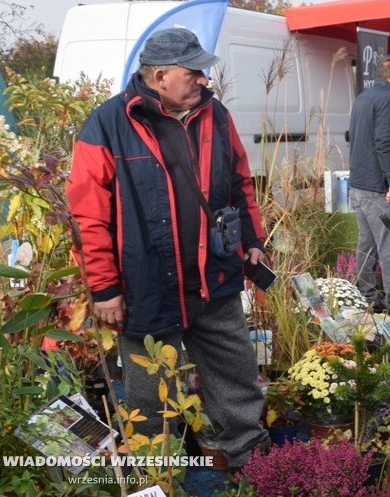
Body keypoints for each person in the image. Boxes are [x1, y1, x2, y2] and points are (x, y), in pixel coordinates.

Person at [67, 28, 270, 469]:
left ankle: (254, 467)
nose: (204, 79)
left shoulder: (216, 116)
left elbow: (240, 182)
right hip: (147, 288)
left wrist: (252, 241)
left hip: (213, 277)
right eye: (193, 71)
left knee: (237, 380)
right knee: (149, 400)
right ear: (159, 75)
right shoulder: (106, 125)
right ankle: (160, 474)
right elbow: (88, 218)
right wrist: (104, 289)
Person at [348, 55, 390, 308]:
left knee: (367, 245)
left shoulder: (363, 97)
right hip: (376, 186)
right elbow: (384, 141)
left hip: (358, 184)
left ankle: (366, 298)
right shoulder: (388, 98)